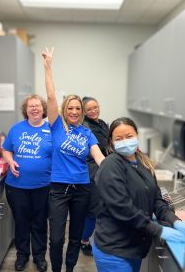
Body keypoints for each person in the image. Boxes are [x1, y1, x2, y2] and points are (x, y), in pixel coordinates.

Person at [92, 117, 185, 272]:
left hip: (135, 247)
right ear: (112, 143)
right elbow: (122, 208)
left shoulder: (143, 164)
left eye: (129, 136)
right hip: (114, 249)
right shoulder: (111, 166)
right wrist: (158, 230)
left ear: (137, 136)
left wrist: (174, 221)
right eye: (119, 138)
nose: (125, 141)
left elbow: (157, 200)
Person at [42, 47, 105, 272]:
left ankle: (69, 269)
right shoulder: (57, 126)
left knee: (76, 238)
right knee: (57, 238)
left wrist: (119, 171)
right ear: (64, 109)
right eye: (71, 107)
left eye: (78, 108)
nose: (75, 111)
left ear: (82, 112)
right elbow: (50, 96)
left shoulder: (87, 133)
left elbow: (99, 157)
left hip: (82, 188)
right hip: (58, 189)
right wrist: (48, 67)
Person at [2, 94, 52, 272]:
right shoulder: (16, 129)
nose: (34, 108)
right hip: (17, 185)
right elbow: (6, 149)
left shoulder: (51, 130)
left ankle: (39, 257)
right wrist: (10, 161)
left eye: (38, 105)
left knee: (39, 222)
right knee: (21, 222)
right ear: (26, 110)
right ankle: (22, 255)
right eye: (31, 106)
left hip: (43, 186)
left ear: (43, 109)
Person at [80, 97, 109, 256]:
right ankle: (84, 240)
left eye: (95, 107)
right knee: (93, 210)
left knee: (99, 210)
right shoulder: (86, 127)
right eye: (89, 109)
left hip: (104, 169)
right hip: (93, 172)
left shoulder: (103, 123)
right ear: (84, 112)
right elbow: (101, 150)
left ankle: (92, 239)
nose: (93, 111)